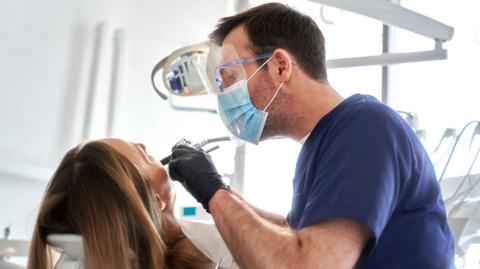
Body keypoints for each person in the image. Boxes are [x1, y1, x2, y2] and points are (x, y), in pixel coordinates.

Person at [167, 3, 455, 268]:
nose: (225, 96)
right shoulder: (320, 145)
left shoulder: (364, 128)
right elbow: (292, 232)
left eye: (230, 78)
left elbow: (308, 262)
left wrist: (214, 193)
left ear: (280, 67)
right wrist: (217, 191)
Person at [27, 138, 238, 269]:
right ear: (156, 202)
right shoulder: (227, 245)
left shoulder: (201, 241)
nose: (144, 145)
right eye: (144, 156)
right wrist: (217, 195)